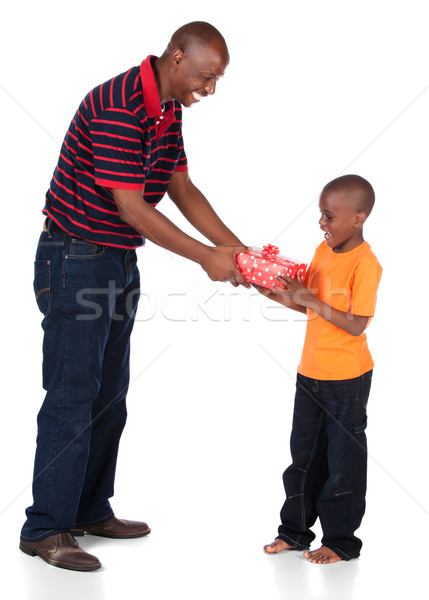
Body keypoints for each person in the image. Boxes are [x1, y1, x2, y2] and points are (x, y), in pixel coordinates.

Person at [20, 21, 250, 572]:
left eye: (218, 80)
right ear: (176, 57)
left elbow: (181, 187)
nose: (210, 90)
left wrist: (236, 250)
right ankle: (46, 528)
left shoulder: (167, 109)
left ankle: (90, 509)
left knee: (109, 394)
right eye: (205, 77)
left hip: (117, 259)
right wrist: (206, 257)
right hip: (75, 256)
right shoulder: (119, 104)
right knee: (72, 396)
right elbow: (133, 207)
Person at [258, 174, 382, 564]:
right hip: (310, 373)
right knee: (303, 459)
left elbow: (357, 323)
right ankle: (294, 533)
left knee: (343, 462)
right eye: (321, 215)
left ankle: (341, 542)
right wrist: (275, 293)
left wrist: (307, 296)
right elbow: (307, 302)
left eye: (329, 216)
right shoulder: (322, 251)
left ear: (357, 218)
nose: (322, 223)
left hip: (348, 379)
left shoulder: (366, 263)